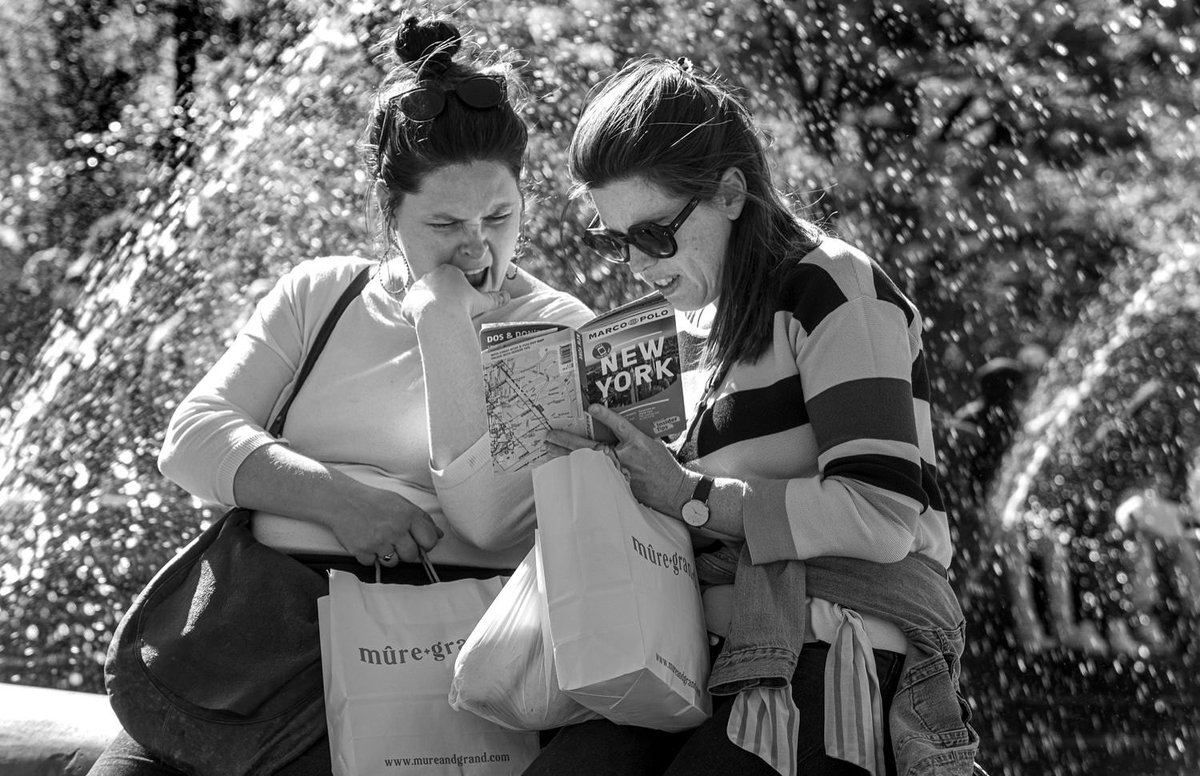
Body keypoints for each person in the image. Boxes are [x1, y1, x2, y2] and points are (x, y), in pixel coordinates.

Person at [88, 15, 592, 776]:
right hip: (240, 652)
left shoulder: (555, 328)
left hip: (418, 678)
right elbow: (191, 439)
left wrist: (444, 322)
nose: (478, 248)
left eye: (500, 216)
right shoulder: (322, 292)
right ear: (389, 214)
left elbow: (491, 525)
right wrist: (340, 501)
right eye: (444, 223)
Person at [532, 58, 978, 776]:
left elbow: (882, 510)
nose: (635, 266)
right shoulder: (694, 330)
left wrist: (690, 497)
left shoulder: (832, 285)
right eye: (612, 240)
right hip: (702, 659)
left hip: (838, 645)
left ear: (731, 193)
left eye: (652, 236)